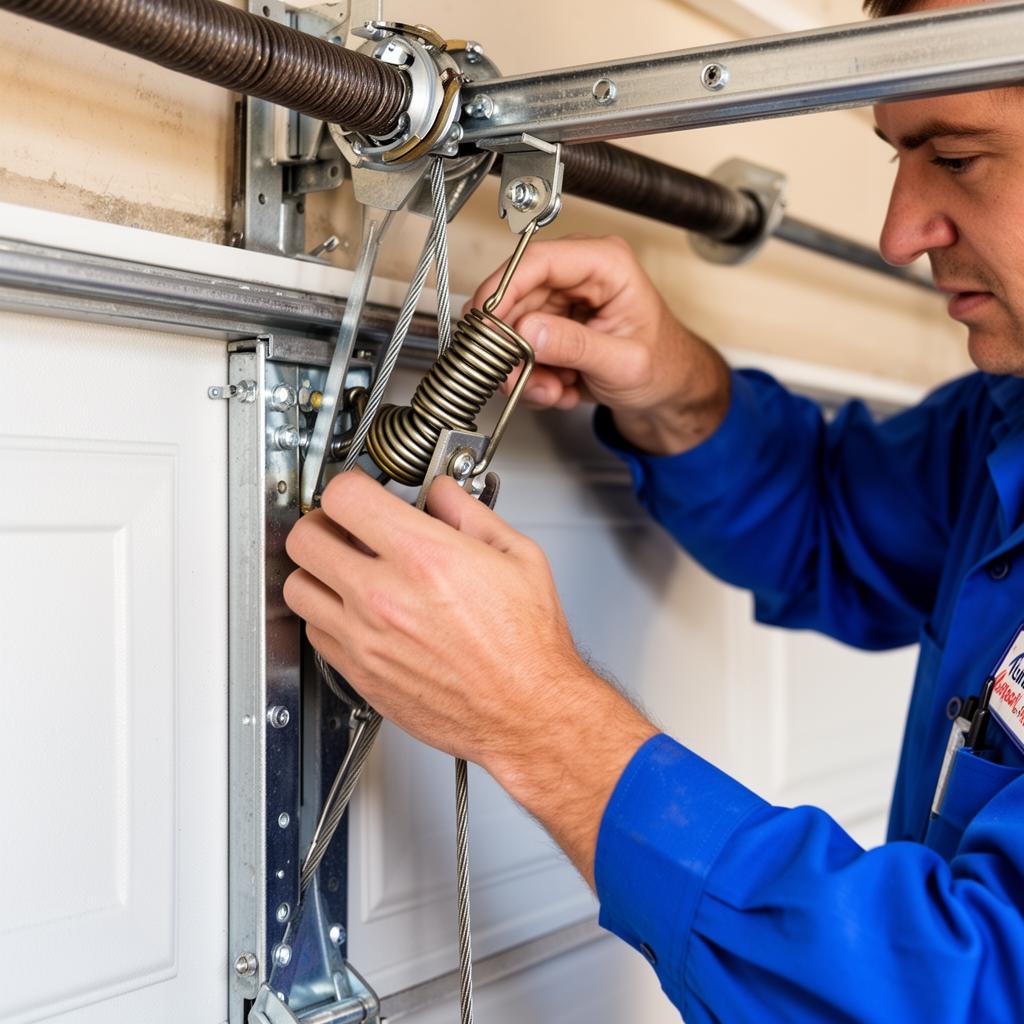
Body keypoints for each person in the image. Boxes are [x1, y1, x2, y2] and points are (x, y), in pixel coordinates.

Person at [283, 0, 1024, 1018]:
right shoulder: (1004, 424)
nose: (899, 233)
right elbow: (839, 527)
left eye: (956, 157)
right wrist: (683, 394)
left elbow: (979, 992)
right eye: (898, 156)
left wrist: (541, 724)